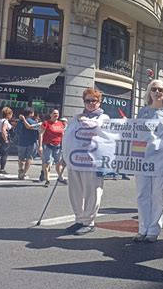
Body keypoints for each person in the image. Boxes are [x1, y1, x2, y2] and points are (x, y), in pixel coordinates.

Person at [134, 79, 163, 243]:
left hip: (161, 159)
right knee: (142, 194)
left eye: (161, 89)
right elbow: (135, 133)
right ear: (149, 92)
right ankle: (142, 229)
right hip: (143, 159)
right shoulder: (143, 112)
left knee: (159, 195)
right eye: (154, 89)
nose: (157, 92)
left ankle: (153, 229)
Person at [64, 88, 110, 235]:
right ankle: (79, 219)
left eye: (93, 100)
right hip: (75, 160)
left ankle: (89, 221)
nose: (90, 103)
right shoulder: (77, 117)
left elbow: (96, 128)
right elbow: (68, 137)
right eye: (87, 100)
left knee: (92, 192)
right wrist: (64, 156)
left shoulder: (104, 117)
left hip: (93, 161)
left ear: (99, 102)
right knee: (75, 191)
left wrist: (83, 120)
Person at [38, 109, 66, 187]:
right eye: (54, 113)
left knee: (58, 162)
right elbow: (41, 134)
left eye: (57, 113)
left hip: (58, 146)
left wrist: (64, 145)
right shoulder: (46, 123)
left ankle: (61, 177)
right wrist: (40, 146)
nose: (56, 115)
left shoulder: (61, 123)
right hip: (47, 145)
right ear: (50, 114)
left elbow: (62, 134)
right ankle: (47, 179)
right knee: (47, 162)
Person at [17, 108, 41, 180]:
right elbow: (37, 132)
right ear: (31, 113)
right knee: (29, 158)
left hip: (21, 141)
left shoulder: (19, 122)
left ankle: (20, 169)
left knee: (21, 157)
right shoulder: (33, 122)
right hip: (31, 142)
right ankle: (24, 173)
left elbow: (17, 131)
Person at [0, 107, 14, 174]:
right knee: (4, 154)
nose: (11, 116)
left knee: (1, 153)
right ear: (8, 114)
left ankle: (1, 169)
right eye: (11, 114)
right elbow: (3, 130)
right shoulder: (5, 121)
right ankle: (2, 169)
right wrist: (5, 139)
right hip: (2, 139)